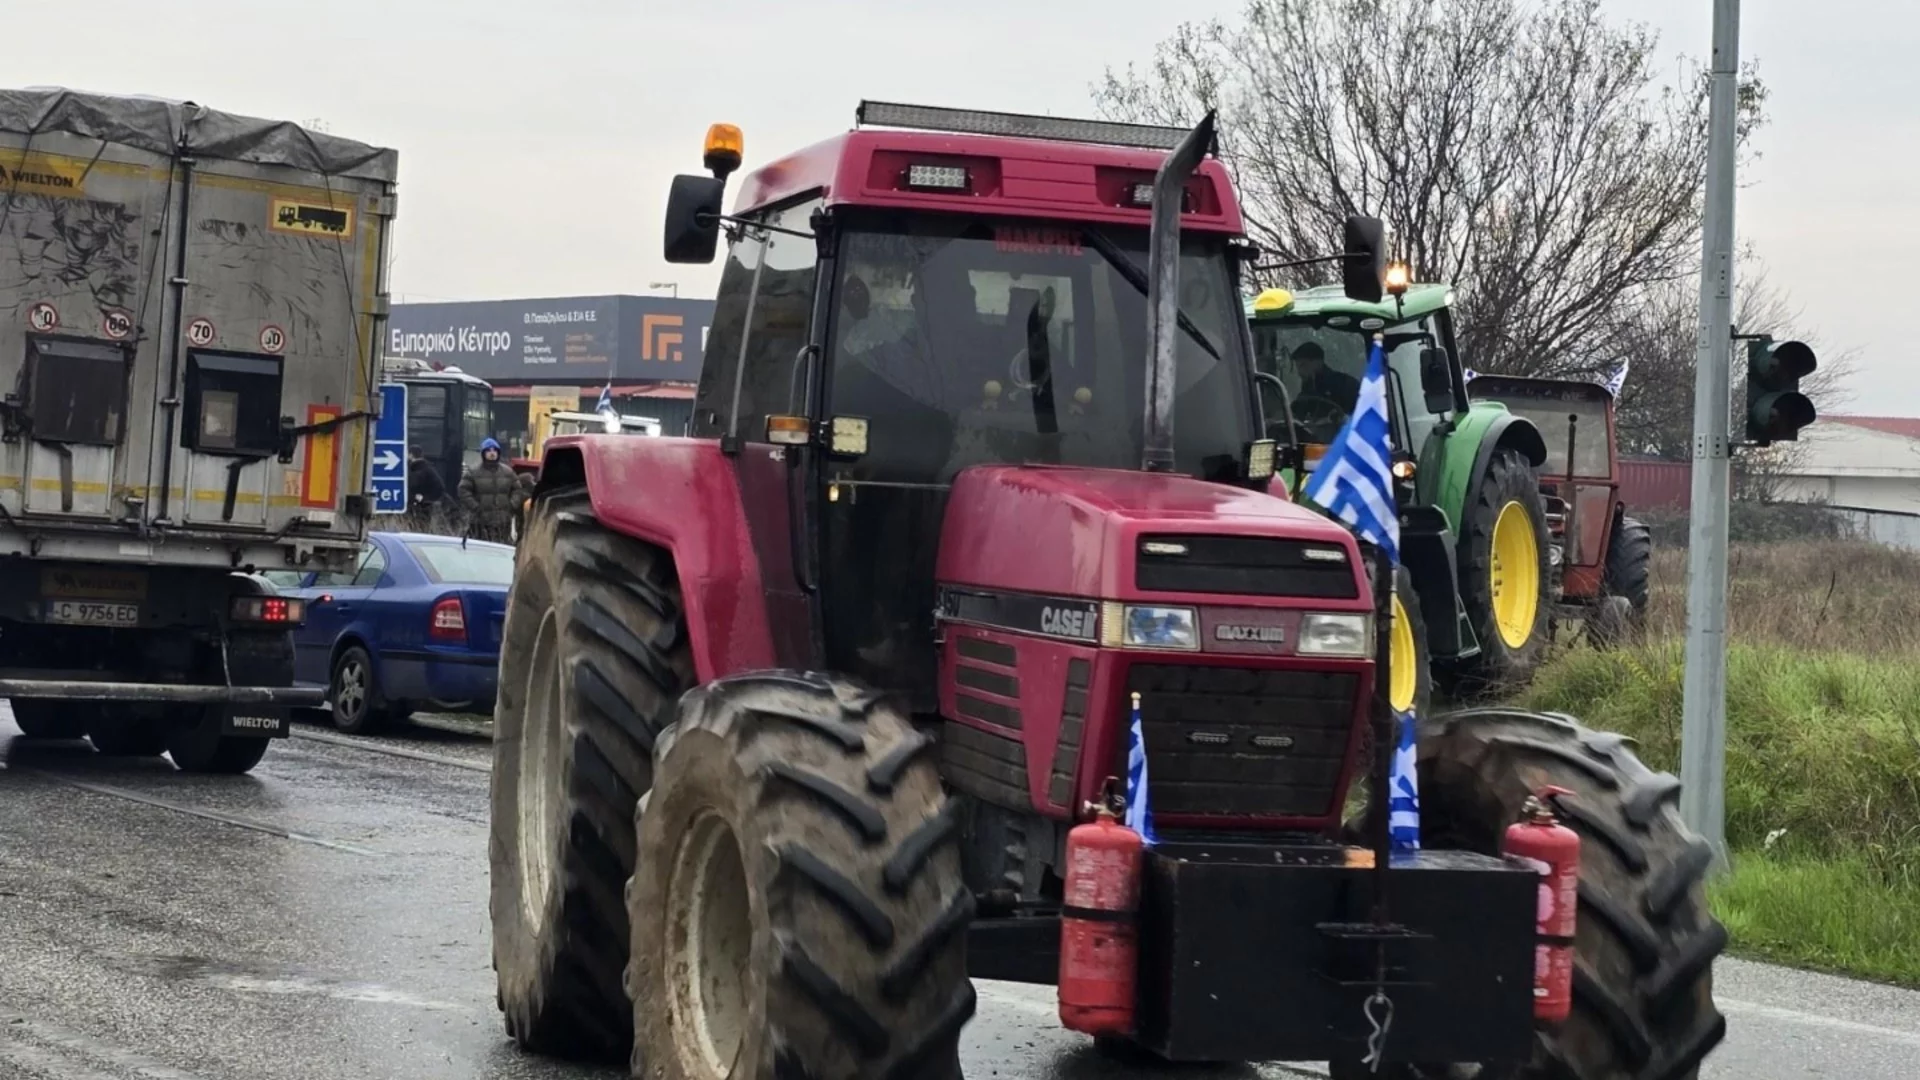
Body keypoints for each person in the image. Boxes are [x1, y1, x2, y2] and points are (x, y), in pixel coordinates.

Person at [457, 438, 533, 544]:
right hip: (481, 522)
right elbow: (463, 490)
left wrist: (511, 505)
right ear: (483, 453)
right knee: (481, 550)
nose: (492, 453)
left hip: (503, 522)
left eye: (494, 450)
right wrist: (475, 507)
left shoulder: (508, 472)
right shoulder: (473, 472)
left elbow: (518, 490)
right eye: (488, 450)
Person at [405, 445, 447, 532]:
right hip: (423, 506)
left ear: (411, 455)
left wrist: (424, 499)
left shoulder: (419, 470)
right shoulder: (426, 468)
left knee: (418, 528)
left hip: (421, 507)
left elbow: (413, 486)